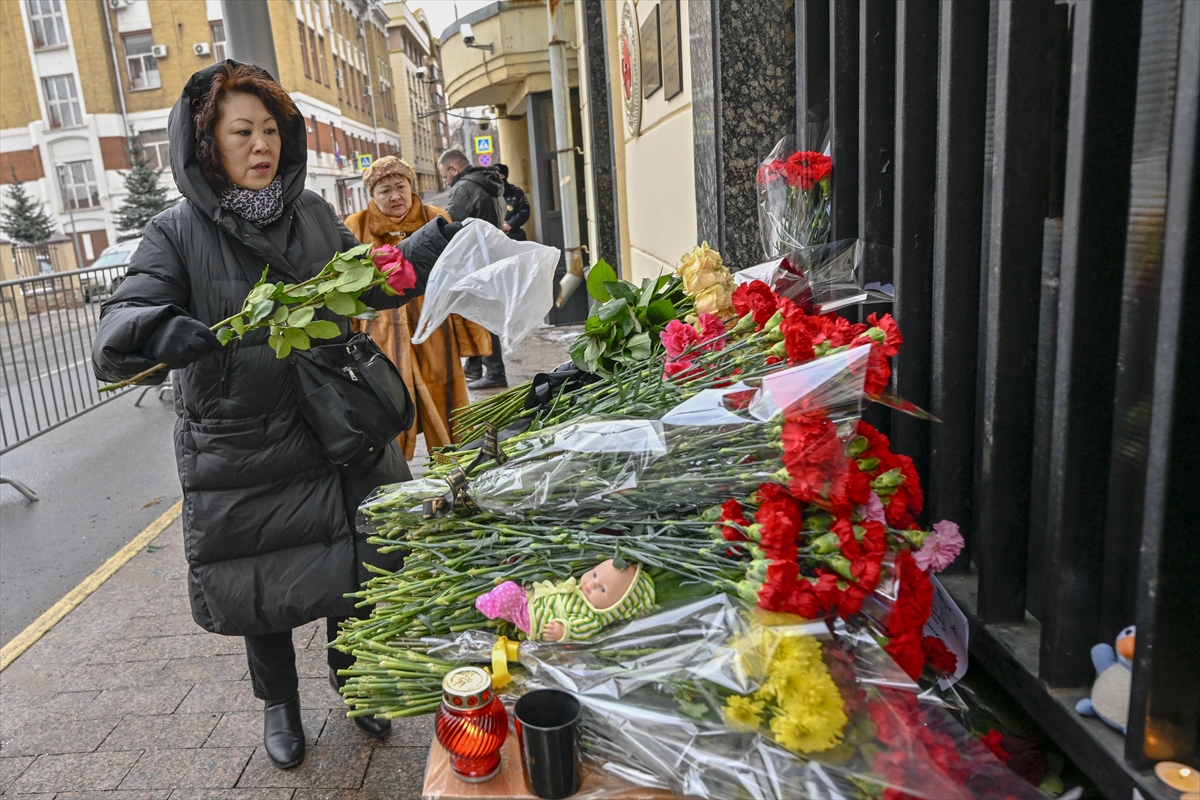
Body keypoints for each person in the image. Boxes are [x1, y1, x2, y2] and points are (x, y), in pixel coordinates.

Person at [91, 61, 458, 770]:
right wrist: (153, 330)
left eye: (269, 130)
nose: (261, 146)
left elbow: (370, 284)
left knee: (352, 569)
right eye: (242, 132)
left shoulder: (314, 215)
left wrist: (434, 238)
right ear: (207, 144)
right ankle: (279, 705)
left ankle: (356, 684)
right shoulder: (176, 232)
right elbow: (119, 327)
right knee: (263, 585)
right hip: (244, 444)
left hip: (336, 428)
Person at [344, 156, 492, 459]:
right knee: (386, 416)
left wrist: (471, 334)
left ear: (412, 187)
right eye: (384, 190)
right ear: (372, 195)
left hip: (436, 333)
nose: (395, 196)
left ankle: (456, 471)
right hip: (381, 343)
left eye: (400, 186)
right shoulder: (355, 227)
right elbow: (348, 292)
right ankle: (392, 484)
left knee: (450, 418)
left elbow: (463, 279)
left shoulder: (435, 218)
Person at [437, 149, 508, 388]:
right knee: (477, 312)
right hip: (490, 255)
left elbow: (448, 224)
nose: (446, 182)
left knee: (480, 314)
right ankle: (475, 367)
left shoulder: (464, 187)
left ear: (453, 169)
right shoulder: (490, 182)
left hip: (474, 259)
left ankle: (495, 373)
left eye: (445, 176)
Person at [495, 163, 530, 241]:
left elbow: (524, 211)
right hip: (496, 236)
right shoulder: (490, 194)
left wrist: (510, 224)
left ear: (503, 176)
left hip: (514, 235)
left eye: (499, 176)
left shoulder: (516, 193)